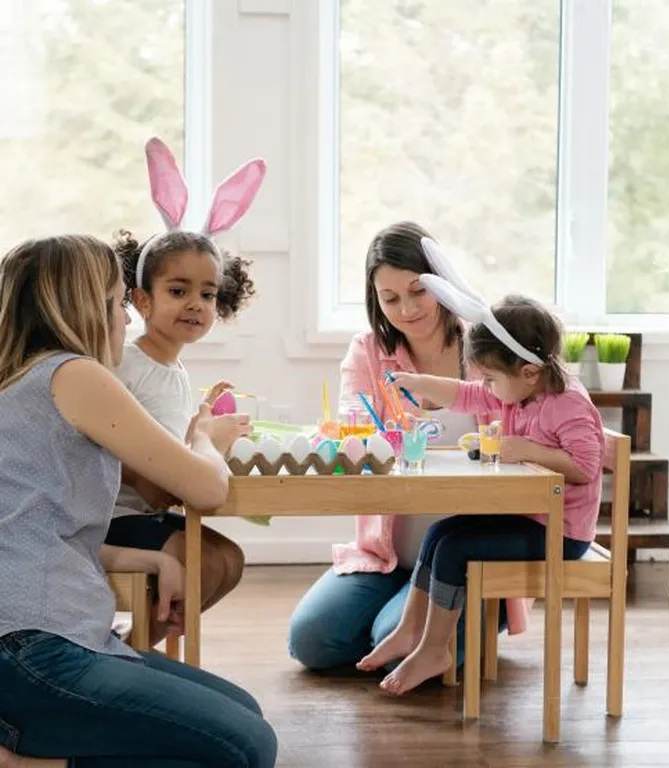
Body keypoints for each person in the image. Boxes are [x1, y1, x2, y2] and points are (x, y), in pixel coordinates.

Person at [0, 234, 277, 767]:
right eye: (117, 303)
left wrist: (147, 558)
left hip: (40, 641)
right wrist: (205, 438)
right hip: (32, 650)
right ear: (83, 305)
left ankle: (40, 759)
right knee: (246, 747)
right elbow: (206, 487)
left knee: (244, 713)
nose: (126, 321)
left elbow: (31, 527)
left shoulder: (22, 381)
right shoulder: (75, 374)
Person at [288, 221, 524, 671]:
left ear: (442, 283)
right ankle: (400, 630)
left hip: (465, 560)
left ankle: (412, 633)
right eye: (389, 298)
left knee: (393, 637)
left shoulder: (488, 345)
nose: (407, 309)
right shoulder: (368, 351)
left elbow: (546, 405)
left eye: (418, 291)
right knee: (312, 641)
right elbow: (349, 429)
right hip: (387, 555)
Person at [358, 290, 604, 695]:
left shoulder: (567, 404)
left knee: (456, 550)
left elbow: (585, 466)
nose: (485, 387)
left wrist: (526, 450)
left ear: (528, 371)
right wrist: (417, 382)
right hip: (527, 518)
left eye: (491, 378)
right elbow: (467, 393)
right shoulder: (521, 388)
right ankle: (409, 631)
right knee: (440, 533)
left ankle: (434, 649)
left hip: (561, 533)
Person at [105, 134, 266, 647]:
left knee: (227, 560)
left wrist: (206, 435)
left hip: (148, 511)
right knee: (206, 559)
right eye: (178, 291)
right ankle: (128, 658)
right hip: (110, 517)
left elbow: (169, 458)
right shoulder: (125, 358)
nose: (195, 304)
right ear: (141, 299)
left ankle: (135, 651)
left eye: (207, 293)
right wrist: (197, 445)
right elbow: (126, 453)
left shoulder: (174, 373)